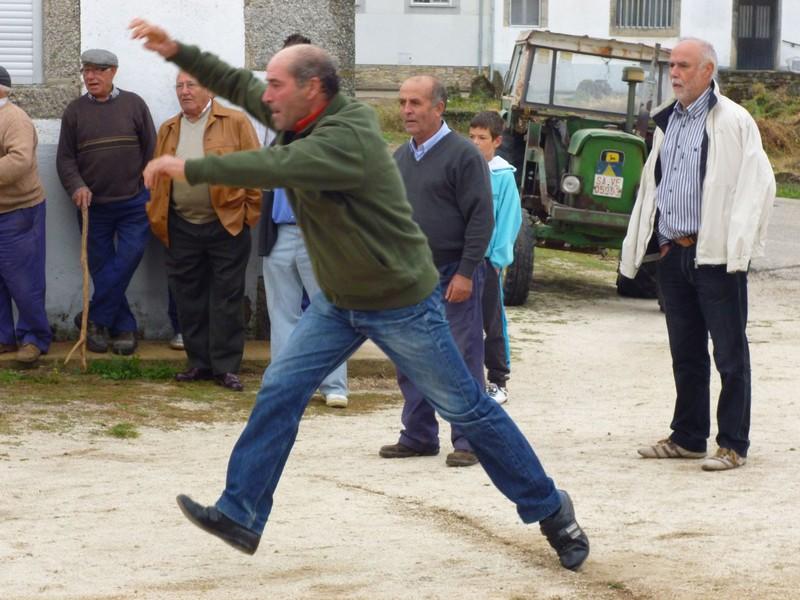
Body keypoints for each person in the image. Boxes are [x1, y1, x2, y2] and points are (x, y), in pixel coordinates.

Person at [130, 18, 589, 571]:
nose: (265, 96)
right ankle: (241, 513)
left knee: (466, 408)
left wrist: (190, 166)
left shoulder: (349, 134)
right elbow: (239, 84)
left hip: (399, 300)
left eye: (276, 86)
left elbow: (281, 165)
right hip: (338, 300)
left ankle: (550, 509)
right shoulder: (296, 112)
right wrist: (177, 49)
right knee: (280, 389)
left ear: (312, 90)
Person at [620, 38, 775, 471]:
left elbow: (759, 185)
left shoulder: (734, 121)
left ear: (708, 71)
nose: (674, 73)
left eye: (684, 66)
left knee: (729, 354)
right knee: (686, 353)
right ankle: (688, 437)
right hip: (674, 254)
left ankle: (733, 444)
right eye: (672, 65)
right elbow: (653, 186)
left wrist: (739, 247)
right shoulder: (666, 122)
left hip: (716, 256)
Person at [378, 76, 492, 468]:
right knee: (410, 357)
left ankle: (471, 440)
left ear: (438, 108)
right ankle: (418, 435)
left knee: (460, 357)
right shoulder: (400, 157)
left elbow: (481, 218)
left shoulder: (464, 155)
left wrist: (466, 272)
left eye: (415, 103)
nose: (406, 110)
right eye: (402, 102)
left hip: (453, 273)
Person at [148, 71, 261, 391]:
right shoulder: (169, 128)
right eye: (179, 86)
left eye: (191, 85)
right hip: (181, 225)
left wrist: (246, 215)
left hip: (226, 223)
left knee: (227, 297)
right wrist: (157, 213)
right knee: (189, 297)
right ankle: (198, 363)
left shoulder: (235, 121)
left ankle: (226, 367)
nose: (184, 91)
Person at [258, 32, 349, 408]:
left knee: (329, 311)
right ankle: (284, 385)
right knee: (282, 314)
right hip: (279, 232)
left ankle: (334, 385)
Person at [56, 49, 156, 355]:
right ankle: (123, 326)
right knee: (101, 267)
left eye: (98, 70)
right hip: (93, 206)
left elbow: (151, 149)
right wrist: (77, 186)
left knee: (127, 258)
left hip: (133, 203)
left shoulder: (134, 104)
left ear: (113, 71)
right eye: (86, 70)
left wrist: (146, 186)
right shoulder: (75, 111)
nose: (90, 76)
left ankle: (94, 318)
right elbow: (65, 159)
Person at [468, 111, 522, 405]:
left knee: (492, 321)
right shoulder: (464, 171)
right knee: (465, 321)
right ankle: (469, 377)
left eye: (482, 138)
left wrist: (498, 261)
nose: (476, 143)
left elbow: (509, 221)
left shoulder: (503, 177)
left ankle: (499, 380)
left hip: (488, 262)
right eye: (472, 137)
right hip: (464, 260)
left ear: (497, 141)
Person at [0, 65, 51, 367]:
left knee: (24, 281)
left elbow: (19, 161)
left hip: (19, 211)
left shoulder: (14, 118)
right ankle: (3, 337)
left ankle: (35, 338)